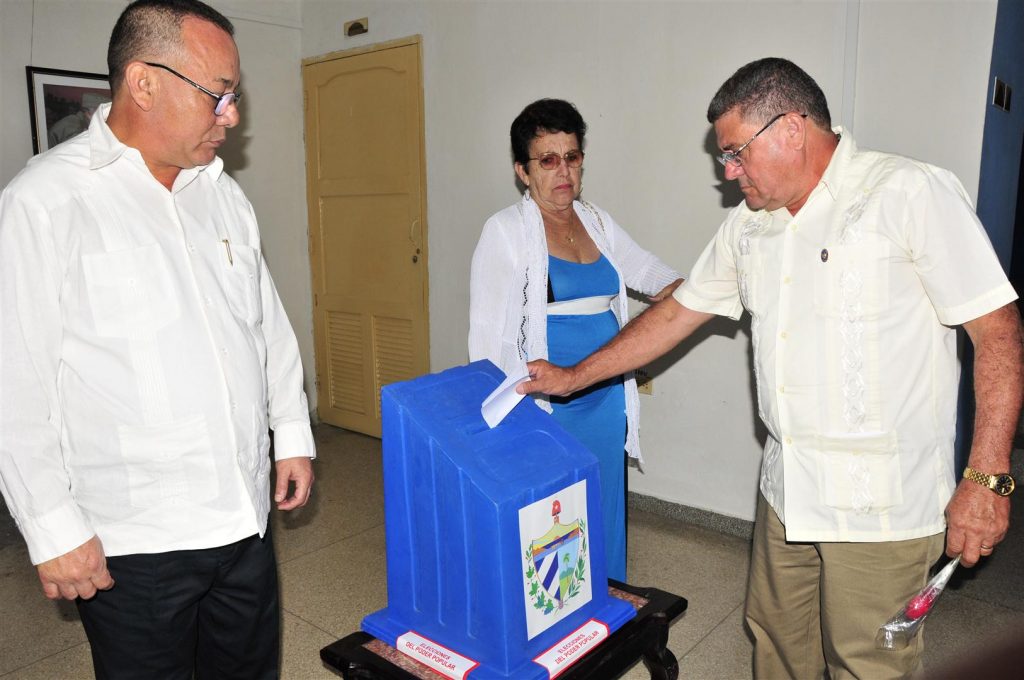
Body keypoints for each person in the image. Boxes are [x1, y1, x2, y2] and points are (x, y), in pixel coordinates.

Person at [521, 58, 1023, 679]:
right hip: (787, 494)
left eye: (735, 154)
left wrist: (987, 478)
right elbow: (677, 313)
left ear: (791, 128)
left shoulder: (908, 193)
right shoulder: (751, 227)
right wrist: (575, 376)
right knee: (777, 648)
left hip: (880, 508)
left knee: (868, 664)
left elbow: (996, 330)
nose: (728, 174)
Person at [0, 1, 315, 678]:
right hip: (133, 541)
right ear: (143, 82)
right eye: (218, 96)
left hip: (242, 520)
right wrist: (52, 527)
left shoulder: (223, 196)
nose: (231, 115)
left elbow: (266, 325)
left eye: (234, 97)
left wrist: (289, 432)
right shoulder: (47, 202)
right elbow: (13, 381)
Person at [469, 98, 683, 582]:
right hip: (542, 404)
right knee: (552, 524)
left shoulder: (598, 222)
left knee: (603, 507)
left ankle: (605, 611)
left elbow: (647, 270)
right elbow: (483, 342)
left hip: (604, 396)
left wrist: (696, 294)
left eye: (571, 156)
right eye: (547, 159)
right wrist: (501, 422)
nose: (562, 170)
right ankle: (555, 625)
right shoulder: (504, 231)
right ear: (522, 171)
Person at [47, 91, 111, 148]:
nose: (107, 117)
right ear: (88, 112)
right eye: (104, 112)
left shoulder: (80, 121)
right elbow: (79, 149)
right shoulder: (72, 123)